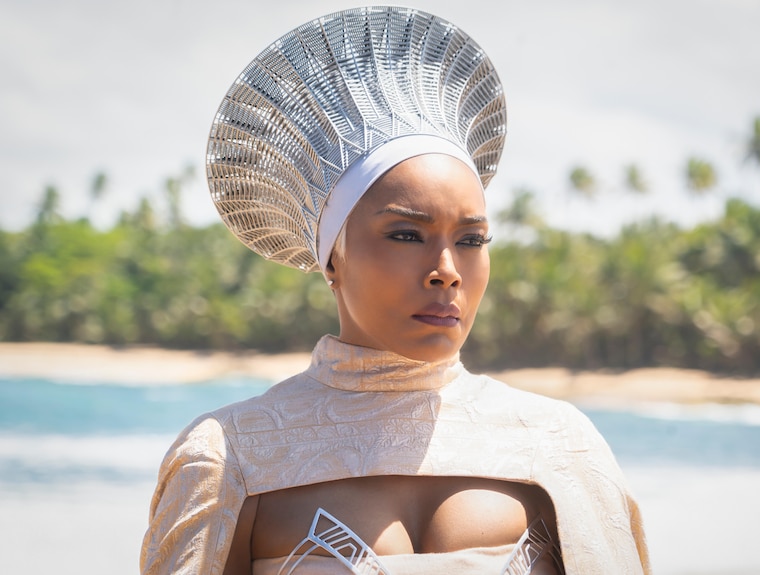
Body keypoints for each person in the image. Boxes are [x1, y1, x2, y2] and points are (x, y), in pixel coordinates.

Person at [141, 6, 650, 574]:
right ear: (333, 258)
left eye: (471, 239)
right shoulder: (231, 456)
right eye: (406, 234)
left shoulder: (559, 448)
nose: (446, 269)